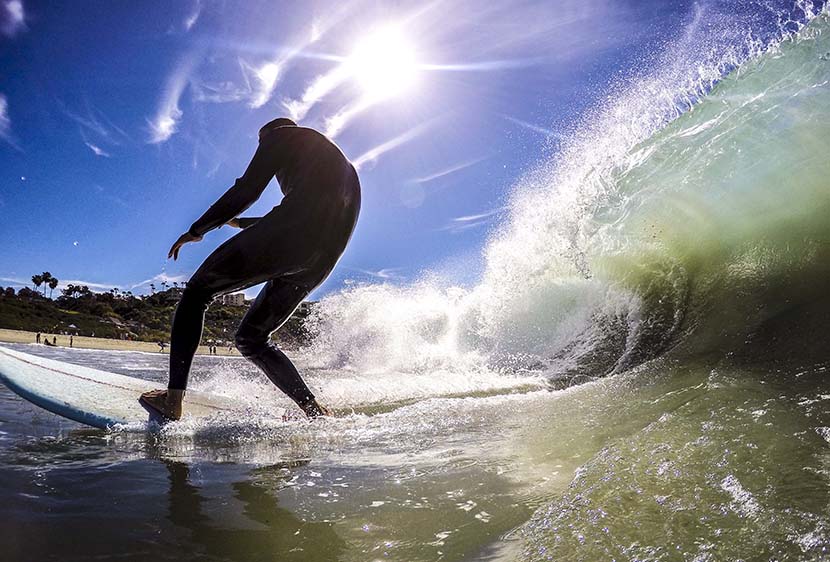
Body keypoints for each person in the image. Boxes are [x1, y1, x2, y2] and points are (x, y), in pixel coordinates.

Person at [140, 118, 360, 421]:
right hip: (318, 264)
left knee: (196, 293)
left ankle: (172, 399)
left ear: (266, 135)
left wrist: (197, 230)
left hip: (287, 238)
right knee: (251, 339)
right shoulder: (342, 169)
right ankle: (314, 410)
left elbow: (248, 189)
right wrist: (238, 223)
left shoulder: (280, 136)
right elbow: (304, 220)